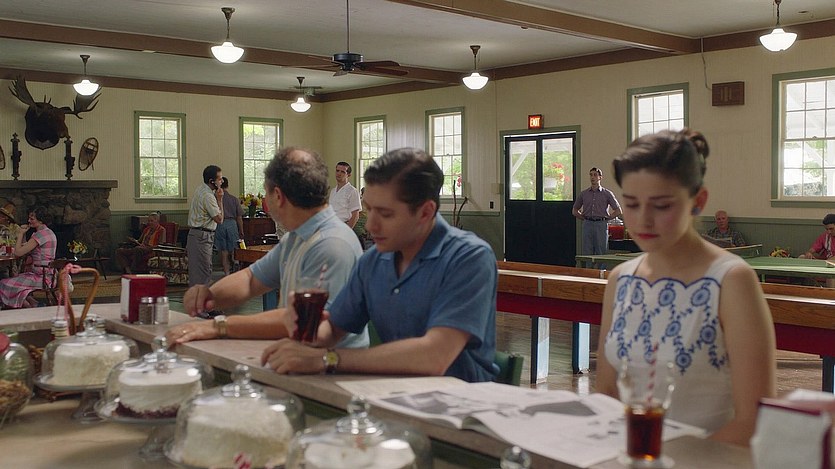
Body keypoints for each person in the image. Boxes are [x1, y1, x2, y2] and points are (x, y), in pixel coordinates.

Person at [595, 129, 775, 446]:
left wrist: (664, 459)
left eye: (662, 206)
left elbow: (753, 421)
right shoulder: (621, 279)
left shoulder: (731, 280)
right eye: (632, 204)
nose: (643, 220)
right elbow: (607, 393)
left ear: (698, 201)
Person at [261, 147, 499, 383]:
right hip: (395, 392)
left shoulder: (468, 258)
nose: (370, 225)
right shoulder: (374, 261)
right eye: (368, 209)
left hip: (461, 401)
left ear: (426, 212)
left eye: (385, 214)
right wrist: (307, 330)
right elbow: (334, 328)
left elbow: (434, 356)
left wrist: (328, 359)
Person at [166, 147, 367, 349]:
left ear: (278, 196)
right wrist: (209, 296)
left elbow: (307, 322)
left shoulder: (331, 244)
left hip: (329, 364)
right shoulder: (296, 237)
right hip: (297, 356)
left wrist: (219, 326)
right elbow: (251, 279)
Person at [0, 206, 57, 308]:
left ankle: (27, 305)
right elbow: (25, 248)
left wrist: (20, 234)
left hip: (42, 278)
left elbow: (18, 253)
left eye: (32, 219)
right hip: (50, 275)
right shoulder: (49, 232)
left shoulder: (39, 235)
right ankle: (33, 304)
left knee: (4, 283)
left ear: (40, 220)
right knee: (16, 281)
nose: (29, 221)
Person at [187, 165, 224, 286]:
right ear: (211, 181)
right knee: (203, 273)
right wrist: (220, 200)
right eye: (219, 179)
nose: (222, 182)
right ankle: (201, 297)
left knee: (198, 272)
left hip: (197, 235)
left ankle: (199, 296)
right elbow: (219, 219)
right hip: (202, 236)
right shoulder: (208, 196)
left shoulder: (200, 189)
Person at [572, 167, 622, 255]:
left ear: (600, 177)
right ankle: (588, 265)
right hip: (587, 224)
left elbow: (618, 210)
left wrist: (608, 218)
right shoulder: (584, 194)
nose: (592, 177)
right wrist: (583, 218)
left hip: (601, 224)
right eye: (591, 175)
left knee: (601, 251)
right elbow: (575, 210)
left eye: (595, 175)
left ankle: (600, 265)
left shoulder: (607, 194)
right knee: (587, 251)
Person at [214, 177, 244, 276]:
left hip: (219, 224)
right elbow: (239, 217)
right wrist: (241, 230)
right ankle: (236, 265)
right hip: (232, 224)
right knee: (234, 249)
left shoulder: (215, 199)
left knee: (224, 251)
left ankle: (226, 273)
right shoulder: (234, 199)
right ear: (227, 185)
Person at [328, 161, 362, 228]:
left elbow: (355, 215)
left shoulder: (352, 191)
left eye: (343, 172)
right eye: (337, 171)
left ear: (348, 175)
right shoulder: (333, 191)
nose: (339, 173)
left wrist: (347, 231)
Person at [0, 202, 21, 279]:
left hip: (10, 259)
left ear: (6, 218)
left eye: (1, 216)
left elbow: (17, 245)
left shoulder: (16, 228)